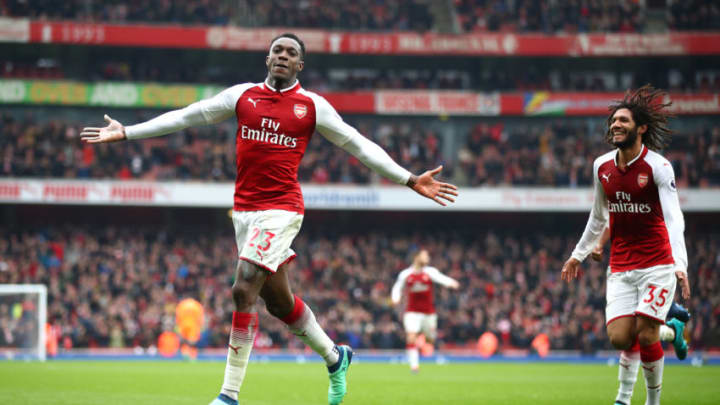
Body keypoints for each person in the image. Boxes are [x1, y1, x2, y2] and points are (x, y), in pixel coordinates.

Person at [80, 33, 458, 405]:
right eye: (277, 49)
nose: (282, 55)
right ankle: (335, 357)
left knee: (243, 288)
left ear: (300, 64)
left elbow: (358, 144)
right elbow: (188, 117)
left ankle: (228, 395)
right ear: (267, 58)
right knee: (279, 303)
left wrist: (408, 179)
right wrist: (128, 132)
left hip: (283, 209)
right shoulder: (242, 96)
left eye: (291, 52)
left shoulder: (311, 106)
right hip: (244, 212)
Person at [561, 85, 691, 405]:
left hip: (657, 263)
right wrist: (577, 255)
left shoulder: (658, 167)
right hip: (621, 265)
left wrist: (680, 264)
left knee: (645, 333)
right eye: (613, 121)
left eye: (623, 120)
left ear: (641, 128)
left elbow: (674, 219)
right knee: (620, 337)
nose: (615, 125)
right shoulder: (601, 166)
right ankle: (672, 329)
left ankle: (643, 400)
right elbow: (597, 216)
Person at [590, 226, 690, 403]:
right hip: (623, 268)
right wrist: (599, 244)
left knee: (642, 331)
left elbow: (670, 220)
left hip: (652, 267)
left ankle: (626, 398)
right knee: (623, 335)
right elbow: (610, 218)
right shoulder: (620, 203)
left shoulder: (655, 202)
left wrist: (679, 265)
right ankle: (671, 331)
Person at [391, 248, 460, 373]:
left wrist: (451, 283)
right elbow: (397, 287)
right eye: (425, 256)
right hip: (412, 312)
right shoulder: (406, 274)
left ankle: (424, 340)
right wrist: (395, 298)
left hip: (428, 313)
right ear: (416, 257)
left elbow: (441, 278)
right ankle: (414, 366)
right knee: (411, 336)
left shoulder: (430, 272)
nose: (427, 258)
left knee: (430, 339)